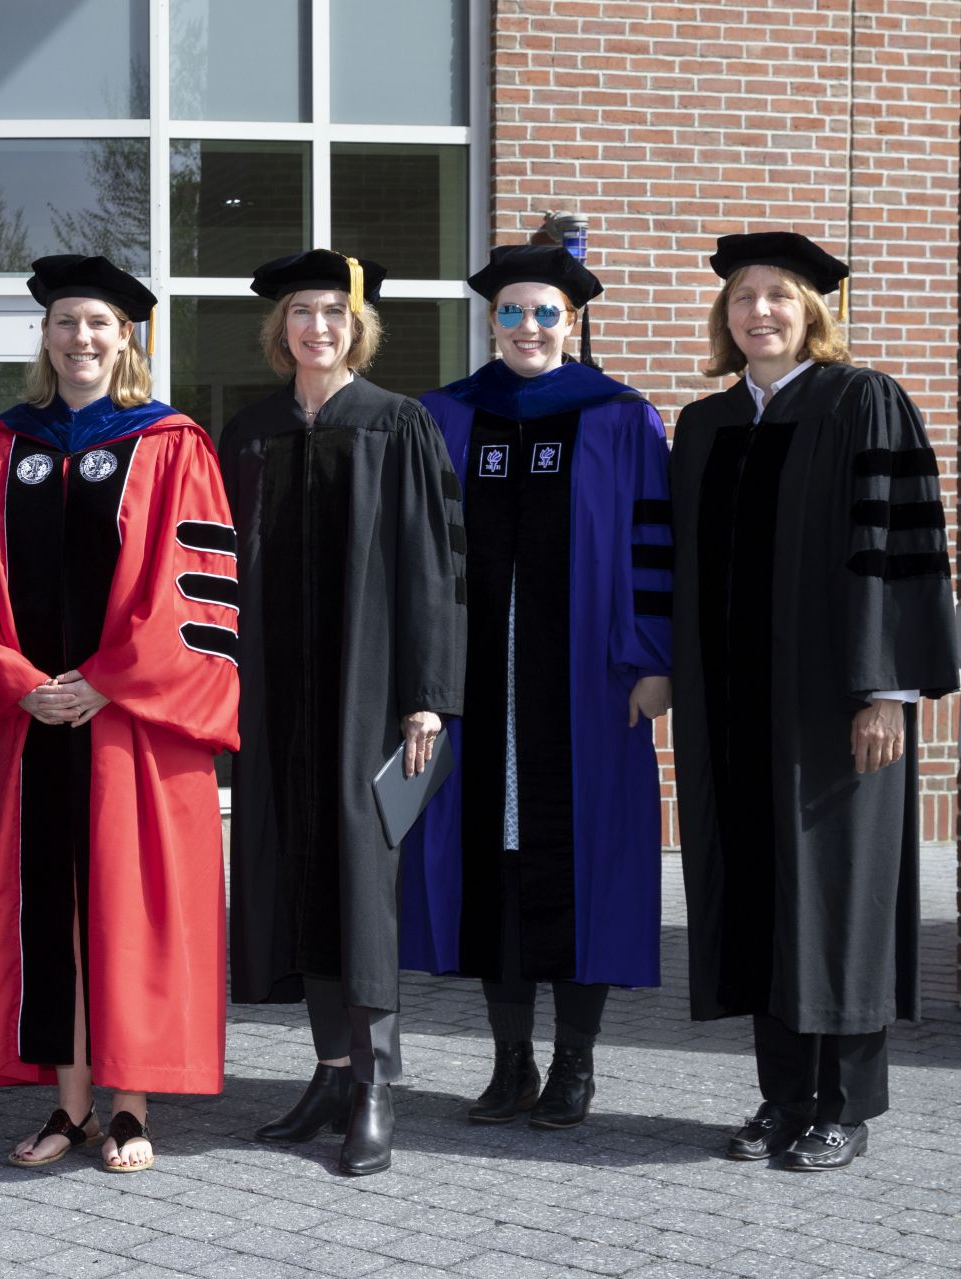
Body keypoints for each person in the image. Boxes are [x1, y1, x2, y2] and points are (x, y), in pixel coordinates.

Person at [0, 254, 238, 1174]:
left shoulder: (172, 442)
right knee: (50, 907)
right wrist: (16, 677)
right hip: (29, 717)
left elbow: (195, 591)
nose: (81, 338)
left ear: (126, 337)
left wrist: (110, 679)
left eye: (98, 323)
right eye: (66, 322)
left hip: (129, 721)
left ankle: (130, 1105)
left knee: (129, 902)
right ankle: (67, 1105)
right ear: (45, 334)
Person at [671, 231, 958, 1170]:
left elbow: (898, 547)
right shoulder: (706, 425)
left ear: (812, 312)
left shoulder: (859, 400)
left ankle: (846, 1102)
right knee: (760, 894)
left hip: (833, 707)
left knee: (839, 894)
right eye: (743, 296)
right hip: (733, 708)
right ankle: (781, 1095)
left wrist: (883, 691)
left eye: (778, 296)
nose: (758, 311)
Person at [401, 243, 672, 1131]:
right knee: (496, 870)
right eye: (511, 311)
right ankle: (509, 1060)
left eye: (545, 311)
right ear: (489, 320)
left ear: (573, 320)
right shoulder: (444, 417)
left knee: (582, 868)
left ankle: (575, 1066)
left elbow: (653, 549)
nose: (527, 326)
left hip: (587, 690)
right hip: (474, 696)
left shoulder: (620, 419)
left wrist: (650, 659)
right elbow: (419, 561)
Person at [223, 249, 465, 1177]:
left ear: (355, 325)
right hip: (277, 698)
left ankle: (376, 1085)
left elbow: (437, 571)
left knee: (362, 891)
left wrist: (428, 698)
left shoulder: (397, 425)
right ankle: (329, 1070)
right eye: (299, 311)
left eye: (331, 311)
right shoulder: (247, 433)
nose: (315, 326)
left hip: (371, 698)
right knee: (298, 880)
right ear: (278, 329)